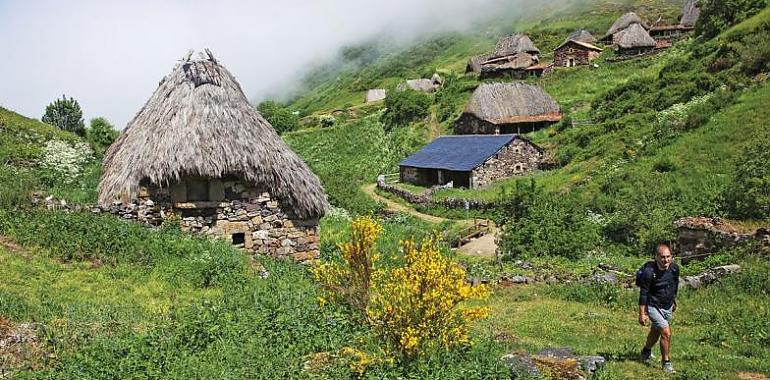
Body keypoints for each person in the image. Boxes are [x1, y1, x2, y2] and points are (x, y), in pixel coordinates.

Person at [637, 243, 679, 374]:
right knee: (666, 332)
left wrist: (674, 301)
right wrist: (642, 314)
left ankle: (646, 351)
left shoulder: (674, 269)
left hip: (667, 305)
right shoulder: (649, 272)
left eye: (668, 257)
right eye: (662, 257)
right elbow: (643, 293)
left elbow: (674, 285)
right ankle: (666, 362)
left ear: (671, 257)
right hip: (652, 305)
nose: (665, 260)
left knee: (656, 330)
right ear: (656, 257)